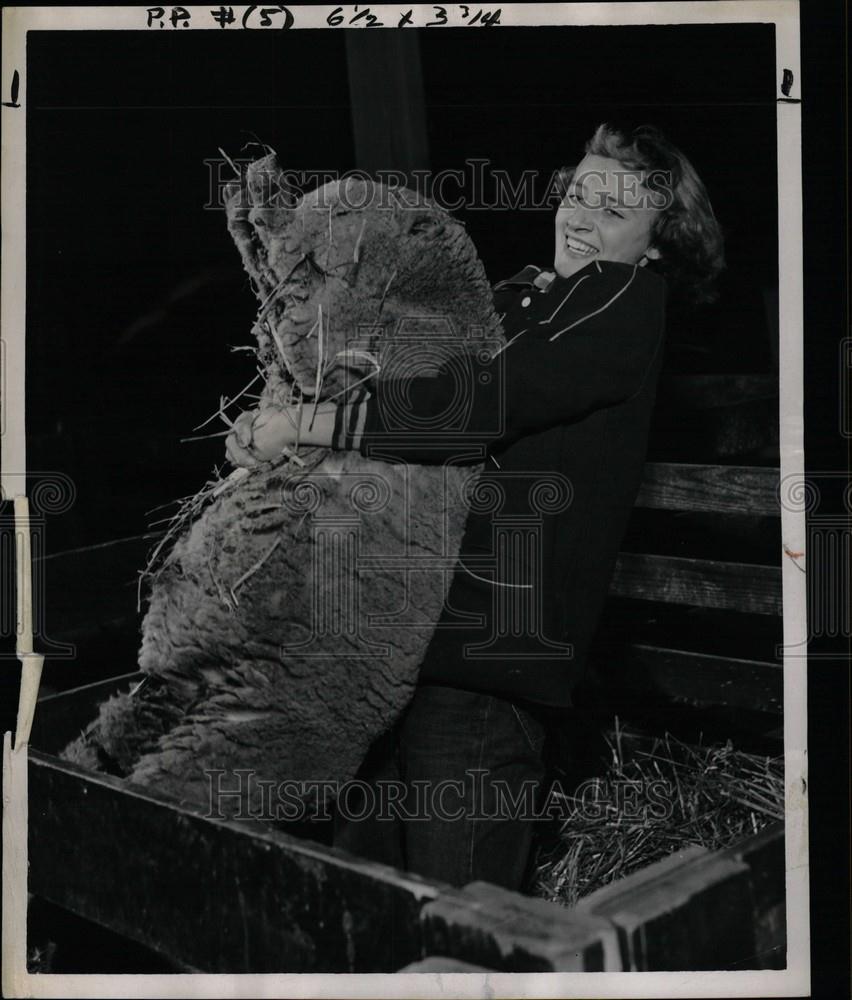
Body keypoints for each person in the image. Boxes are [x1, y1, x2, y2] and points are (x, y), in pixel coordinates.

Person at [226, 123, 725, 891]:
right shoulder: (523, 299)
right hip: (408, 645)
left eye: (614, 212)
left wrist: (306, 426)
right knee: (368, 893)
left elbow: (475, 405)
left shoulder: (625, 300)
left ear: (657, 244)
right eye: (579, 193)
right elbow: (411, 369)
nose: (581, 217)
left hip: (490, 660)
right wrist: (288, 406)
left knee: (467, 912)